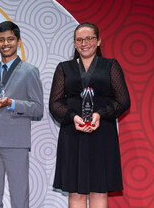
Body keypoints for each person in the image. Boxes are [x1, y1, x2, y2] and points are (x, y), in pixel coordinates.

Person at [49, 22, 131, 208]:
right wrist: (73, 117)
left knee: (99, 190)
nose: (84, 43)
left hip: (102, 133)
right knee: (76, 193)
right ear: (75, 43)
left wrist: (100, 114)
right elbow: (54, 103)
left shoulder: (110, 65)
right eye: (79, 39)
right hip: (72, 132)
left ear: (99, 41)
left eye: (89, 38)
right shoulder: (64, 67)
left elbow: (124, 101)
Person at [0, 21, 44, 208]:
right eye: (1, 40)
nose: (5, 44)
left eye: (10, 39)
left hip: (16, 141)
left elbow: (38, 108)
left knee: (18, 195)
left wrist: (11, 103)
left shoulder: (29, 71)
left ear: (18, 41)